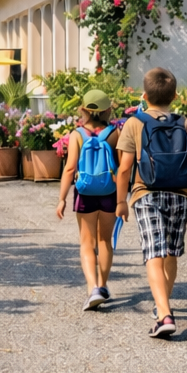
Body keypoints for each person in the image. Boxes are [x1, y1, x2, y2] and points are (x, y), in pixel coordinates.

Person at [115, 67, 187, 338]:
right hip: (180, 195)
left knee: (154, 252)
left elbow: (125, 168)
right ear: (175, 96)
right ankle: (163, 305)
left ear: (144, 95)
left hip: (146, 193)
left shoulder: (134, 123)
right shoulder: (184, 122)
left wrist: (120, 201)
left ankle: (164, 314)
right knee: (171, 252)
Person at [55, 90, 121, 311]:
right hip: (109, 193)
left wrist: (62, 198)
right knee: (105, 242)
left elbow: (70, 168)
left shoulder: (77, 135)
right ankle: (102, 286)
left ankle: (92, 288)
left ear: (83, 110)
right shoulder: (114, 133)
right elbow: (121, 169)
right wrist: (122, 199)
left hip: (85, 194)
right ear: (107, 110)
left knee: (86, 243)